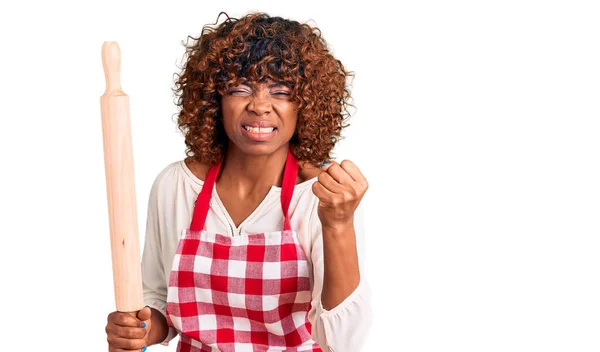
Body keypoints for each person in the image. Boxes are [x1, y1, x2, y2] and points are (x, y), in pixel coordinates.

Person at [105, 11, 372, 352]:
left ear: (305, 104)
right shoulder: (176, 186)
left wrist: (338, 225)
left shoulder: (322, 198)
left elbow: (342, 341)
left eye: (281, 91)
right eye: (240, 88)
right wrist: (141, 329)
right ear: (215, 100)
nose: (260, 106)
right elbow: (158, 299)